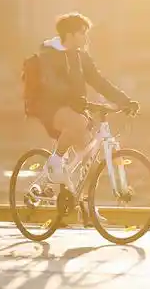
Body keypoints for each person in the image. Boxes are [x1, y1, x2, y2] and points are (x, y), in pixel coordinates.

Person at [33, 12, 139, 188]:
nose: (86, 38)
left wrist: (124, 101)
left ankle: (85, 208)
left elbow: (99, 82)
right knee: (79, 123)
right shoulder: (49, 55)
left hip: (76, 108)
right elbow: (51, 83)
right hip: (50, 108)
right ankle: (55, 161)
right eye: (82, 33)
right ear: (70, 35)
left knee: (90, 165)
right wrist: (72, 98)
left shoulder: (81, 58)